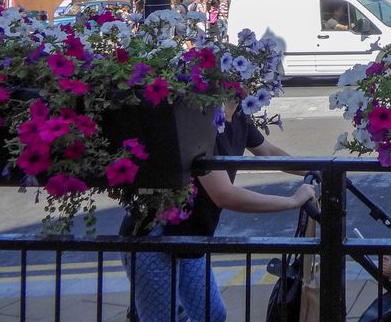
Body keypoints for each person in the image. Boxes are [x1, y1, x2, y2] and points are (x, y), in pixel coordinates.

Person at [121, 101, 315, 322]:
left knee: (212, 314)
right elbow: (224, 194)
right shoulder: (201, 123)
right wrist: (292, 201)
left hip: (190, 236)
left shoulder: (240, 117)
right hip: (153, 238)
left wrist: (318, 170)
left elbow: (267, 151)